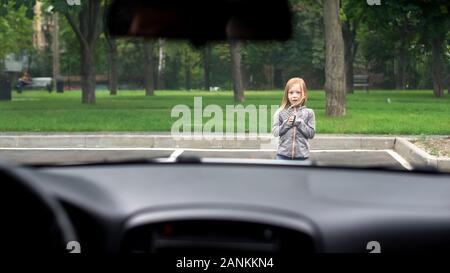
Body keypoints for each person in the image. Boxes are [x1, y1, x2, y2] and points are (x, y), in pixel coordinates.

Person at [272, 77, 316, 160]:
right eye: (291, 92)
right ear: (287, 95)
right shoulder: (280, 112)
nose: (294, 95)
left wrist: (299, 123)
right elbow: (275, 132)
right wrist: (287, 123)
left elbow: (311, 134)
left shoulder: (309, 113)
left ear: (304, 95)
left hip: (302, 157)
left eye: (298, 92)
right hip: (283, 156)